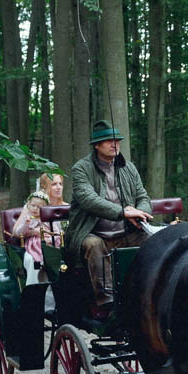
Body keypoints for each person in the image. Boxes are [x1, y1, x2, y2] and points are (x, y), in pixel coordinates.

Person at [65, 119, 153, 320]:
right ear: (97, 145)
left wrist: (140, 211)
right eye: (109, 141)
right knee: (94, 245)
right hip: (91, 233)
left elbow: (143, 197)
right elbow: (88, 199)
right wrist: (123, 212)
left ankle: (149, 292)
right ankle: (106, 303)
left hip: (126, 233)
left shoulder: (128, 167)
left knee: (154, 242)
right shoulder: (81, 169)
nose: (115, 144)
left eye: (117, 140)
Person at [12, 190, 50, 285]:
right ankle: (33, 286)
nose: (35, 209)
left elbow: (54, 229)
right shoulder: (28, 218)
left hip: (47, 243)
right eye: (33, 205)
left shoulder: (46, 218)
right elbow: (18, 232)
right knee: (32, 259)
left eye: (39, 207)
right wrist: (26, 224)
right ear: (29, 205)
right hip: (33, 245)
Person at [36, 172, 65, 247]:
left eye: (60, 184)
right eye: (54, 184)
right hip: (45, 246)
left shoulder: (66, 207)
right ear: (44, 187)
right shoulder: (37, 208)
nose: (59, 187)